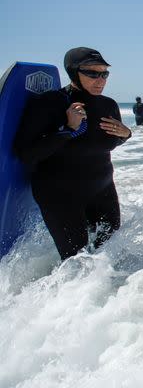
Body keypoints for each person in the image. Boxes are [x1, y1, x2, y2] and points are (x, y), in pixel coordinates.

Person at [14, 47, 131, 259]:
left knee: (110, 255)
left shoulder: (109, 105)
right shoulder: (49, 104)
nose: (100, 79)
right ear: (73, 72)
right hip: (60, 194)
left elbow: (106, 143)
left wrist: (125, 134)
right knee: (75, 261)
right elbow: (27, 154)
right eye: (92, 73)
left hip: (102, 189)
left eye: (104, 73)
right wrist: (68, 129)